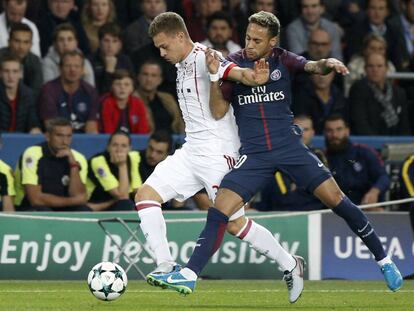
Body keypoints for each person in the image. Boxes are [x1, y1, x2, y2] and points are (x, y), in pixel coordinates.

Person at [151, 11, 403, 298]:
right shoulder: (231, 64)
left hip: (290, 149)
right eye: (247, 37)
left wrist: (327, 63)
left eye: (257, 40)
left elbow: (311, 66)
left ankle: (384, 260)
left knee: (337, 200)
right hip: (255, 155)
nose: (249, 44)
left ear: (273, 42)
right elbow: (218, 111)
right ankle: (189, 275)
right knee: (220, 209)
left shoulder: (283, 59)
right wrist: (212, 76)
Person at [133, 11, 304, 302]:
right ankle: (165, 264)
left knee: (236, 224)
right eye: (158, 48)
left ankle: (290, 263)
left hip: (218, 153)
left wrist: (253, 77)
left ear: (179, 36)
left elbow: (233, 72)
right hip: (191, 151)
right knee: (145, 195)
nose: (161, 53)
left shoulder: (205, 56)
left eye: (164, 46)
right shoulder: (180, 63)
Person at [14, 118, 90, 212]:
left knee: (84, 210)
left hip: (61, 207)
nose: (65, 142)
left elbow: (79, 196)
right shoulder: (33, 154)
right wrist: (74, 201)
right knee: (43, 211)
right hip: (28, 206)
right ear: (48, 136)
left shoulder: (78, 158)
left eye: (69, 136)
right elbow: (35, 199)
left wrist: (73, 165)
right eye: (59, 136)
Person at [324, 114, 390, 208]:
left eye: (339, 129)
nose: (334, 135)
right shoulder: (321, 158)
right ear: (324, 133)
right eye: (330, 131)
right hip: (333, 211)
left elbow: (383, 177)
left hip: (366, 208)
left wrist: (374, 192)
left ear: (347, 131)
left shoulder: (364, 152)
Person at [348, 52, 411, 135]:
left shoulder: (399, 93)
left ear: (387, 68)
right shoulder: (358, 89)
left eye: (379, 66)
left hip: (396, 143)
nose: (375, 70)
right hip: (369, 143)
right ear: (365, 69)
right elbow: (360, 122)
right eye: (371, 66)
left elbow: (404, 124)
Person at [38, 50, 100, 133]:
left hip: (83, 141)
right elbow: (50, 126)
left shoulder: (90, 91)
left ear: (82, 69)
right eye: (68, 66)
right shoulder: (49, 90)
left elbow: (91, 128)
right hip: (57, 139)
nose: (72, 70)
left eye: (77, 66)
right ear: (60, 68)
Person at [86, 131, 141, 211]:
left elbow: (137, 191)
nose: (119, 150)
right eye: (115, 145)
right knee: (126, 204)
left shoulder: (132, 159)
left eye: (124, 146)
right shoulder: (98, 161)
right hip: (95, 206)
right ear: (108, 147)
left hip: (115, 204)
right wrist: (122, 165)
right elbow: (121, 196)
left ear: (130, 149)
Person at [136, 59, 184, 134]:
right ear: (138, 77)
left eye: (153, 75)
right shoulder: (131, 99)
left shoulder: (168, 98)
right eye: (145, 74)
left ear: (160, 80)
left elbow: (179, 123)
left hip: (172, 142)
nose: (149, 79)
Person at [100, 69, 150, 134]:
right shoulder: (106, 103)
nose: (122, 87)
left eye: (126, 84)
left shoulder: (138, 104)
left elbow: (143, 131)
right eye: (118, 84)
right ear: (112, 87)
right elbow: (108, 132)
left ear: (132, 88)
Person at [0, 53, 41, 133]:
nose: (10, 76)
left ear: (21, 74)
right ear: (0, 73)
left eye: (15, 71)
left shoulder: (29, 95)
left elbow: (33, 121)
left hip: (21, 141)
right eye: (6, 71)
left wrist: (35, 128)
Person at [90, 23, 134, 95]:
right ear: (99, 42)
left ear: (120, 45)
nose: (110, 45)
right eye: (106, 41)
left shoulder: (125, 61)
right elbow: (99, 92)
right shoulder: (90, 61)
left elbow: (132, 86)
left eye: (115, 41)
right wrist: (108, 71)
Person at [0, 23, 43, 96]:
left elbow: (36, 92)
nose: (21, 47)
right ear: (9, 42)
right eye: (17, 41)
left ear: (31, 45)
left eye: (26, 42)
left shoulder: (34, 61)